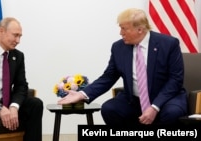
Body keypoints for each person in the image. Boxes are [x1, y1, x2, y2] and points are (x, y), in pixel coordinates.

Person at [58, 8, 188, 126]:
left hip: (166, 99)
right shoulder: (119, 47)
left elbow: (175, 80)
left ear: (140, 29)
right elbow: (108, 77)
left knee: (172, 113)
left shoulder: (169, 44)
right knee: (110, 109)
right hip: (135, 100)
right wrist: (82, 94)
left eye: (124, 29)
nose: (121, 33)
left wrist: (154, 107)